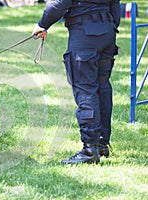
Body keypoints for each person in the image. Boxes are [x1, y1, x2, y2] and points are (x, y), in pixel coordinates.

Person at [32, 0, 120, 164]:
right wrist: (111, 25)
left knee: (85, 89)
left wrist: (43, 24)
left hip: (85, 34)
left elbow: (59, 3)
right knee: (102, 86)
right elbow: (115, 3)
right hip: (107, 30)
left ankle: (89, 149)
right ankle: (101, 143)